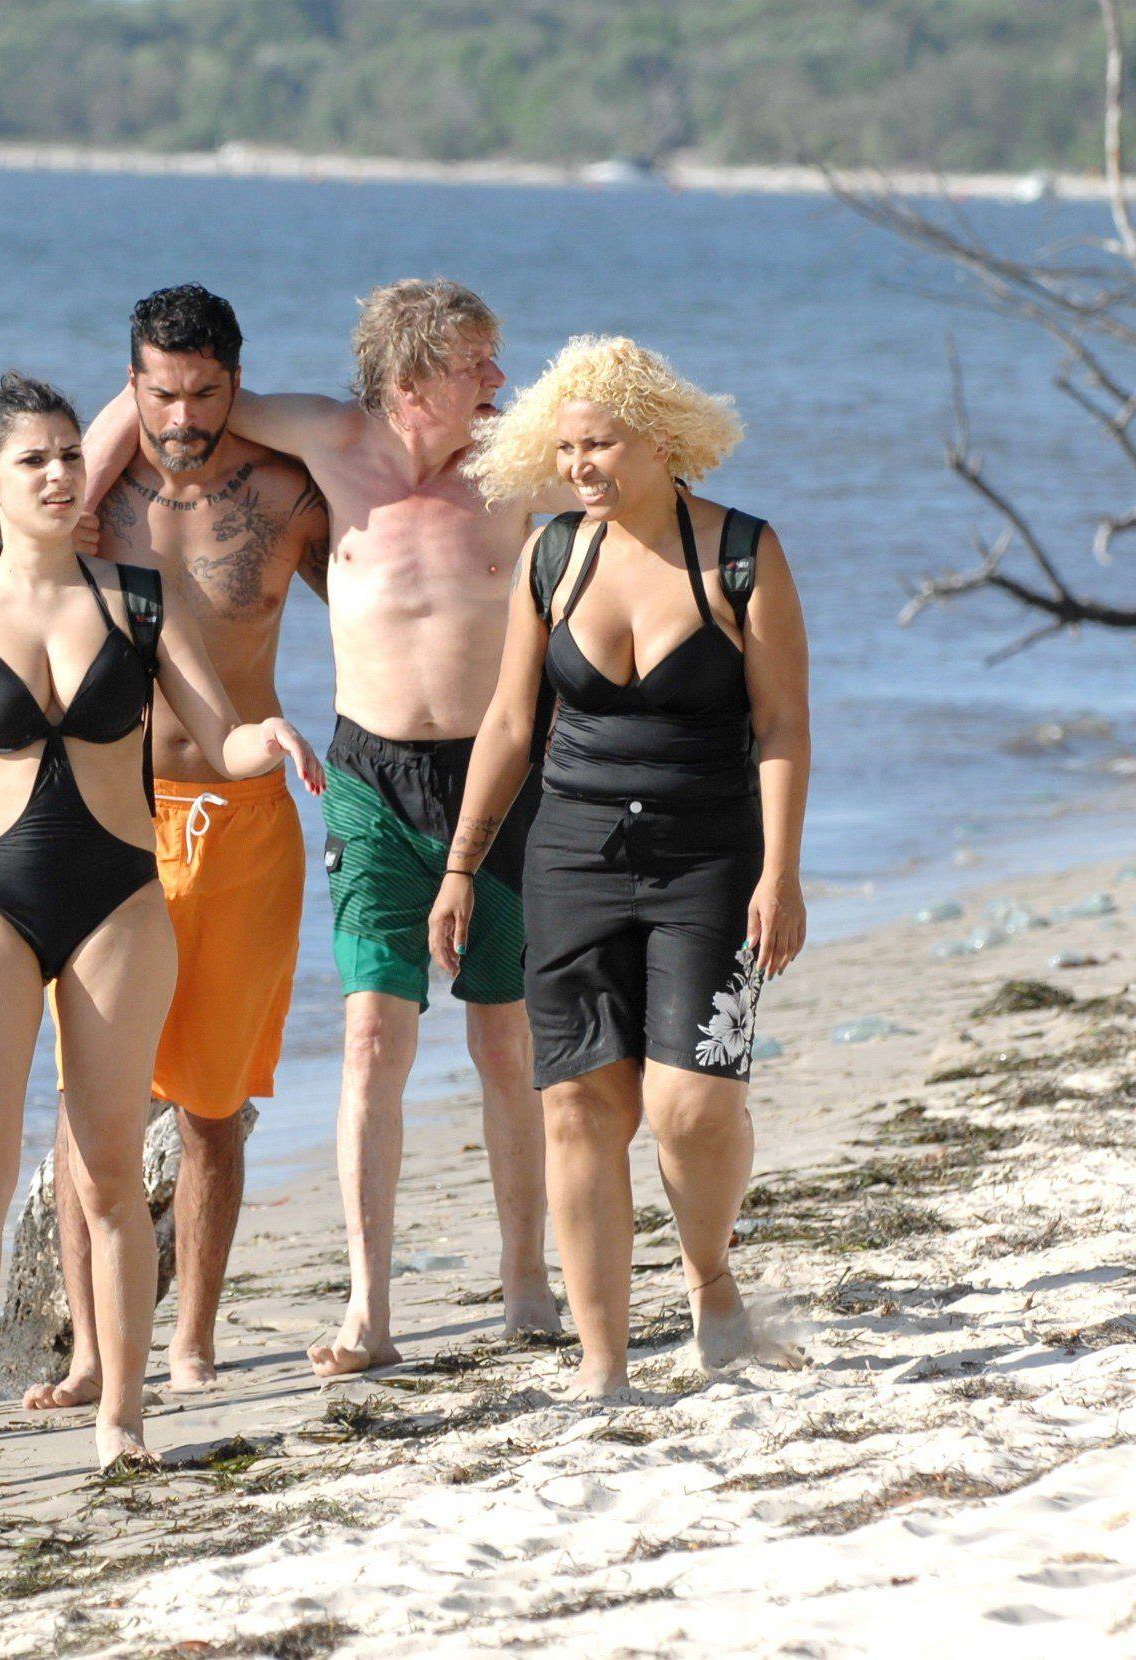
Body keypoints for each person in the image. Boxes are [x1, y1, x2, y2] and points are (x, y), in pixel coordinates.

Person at [0, 373, 322, 1515]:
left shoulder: (137, 603)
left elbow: (217, 728)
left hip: (117, 896)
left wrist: (271, 742)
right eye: (35, 460)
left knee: (105, 1175)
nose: (60, 475)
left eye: (68, 456)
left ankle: (121, 1420)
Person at [85, 279, 568, 1376]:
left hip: (499, 779)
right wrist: (82, 479)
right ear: (409, 380)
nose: (497, 379)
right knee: (368, 1041)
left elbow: (631, 471)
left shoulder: (513, 456)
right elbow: (183, 410)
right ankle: (368, 1307)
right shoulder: (328, 441)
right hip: (368, 777)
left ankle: (526, 1277)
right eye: (474, 363)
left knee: (503, 1042)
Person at [432, 335, 811, 1398]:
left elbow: (781, 727)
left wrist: (779, 872)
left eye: (597, 444)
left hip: (708, 860)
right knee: (578, 1107)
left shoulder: (741, 553)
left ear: (659, 440)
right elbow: (509, 722)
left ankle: (709, 1279)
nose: (579, 465)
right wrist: (463, 864)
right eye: (564, 448)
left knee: (691, 1103)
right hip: (571, 860)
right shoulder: (554, 555)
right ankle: (602, 1364)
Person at [24, 285, 328, 1410]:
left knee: (211, 1108)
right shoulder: (91, 501)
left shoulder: (287, 493)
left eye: (205, 390)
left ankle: (191, 1338)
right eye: (160, 391)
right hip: (114, 814)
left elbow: (393, 602)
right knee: (88, 1101)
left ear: (235, 379)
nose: (183, 414)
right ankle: (98, 1353)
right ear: (131, 384)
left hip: (244, 822)